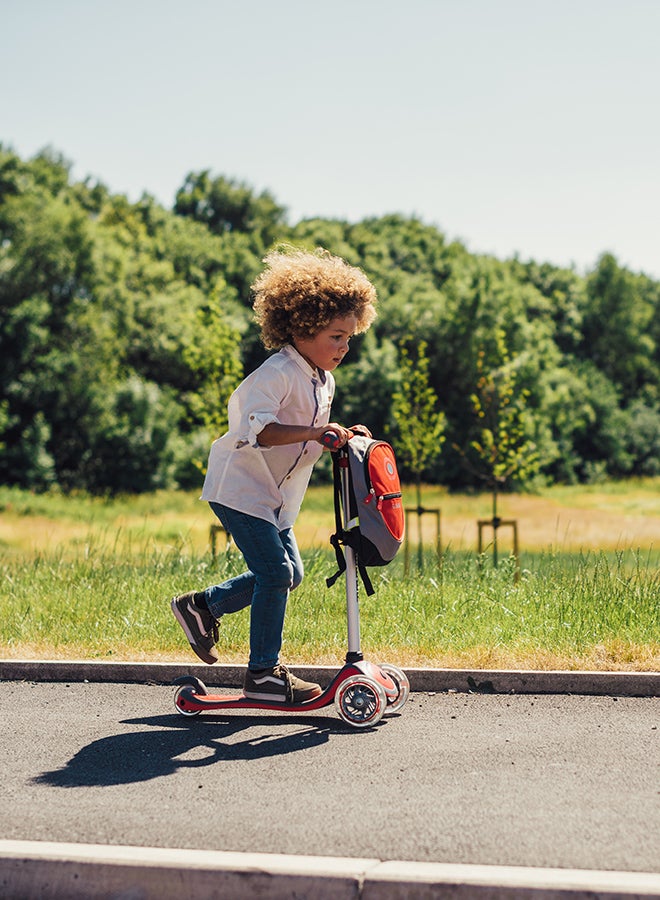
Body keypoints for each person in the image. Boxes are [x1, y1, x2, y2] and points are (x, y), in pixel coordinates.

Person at [171, 247, 377, 703]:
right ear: (304, 328)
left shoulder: (322, 377)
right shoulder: (279, 372)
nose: (345, 347)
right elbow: (261, 432)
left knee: (289, 574)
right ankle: (263, 674)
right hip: (240, 488)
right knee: (275, 572)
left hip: (275, 496)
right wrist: (316, 431)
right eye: (336, 336)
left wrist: (342, 435)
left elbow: (313, 434)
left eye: (350, 337)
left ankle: (201, 606)